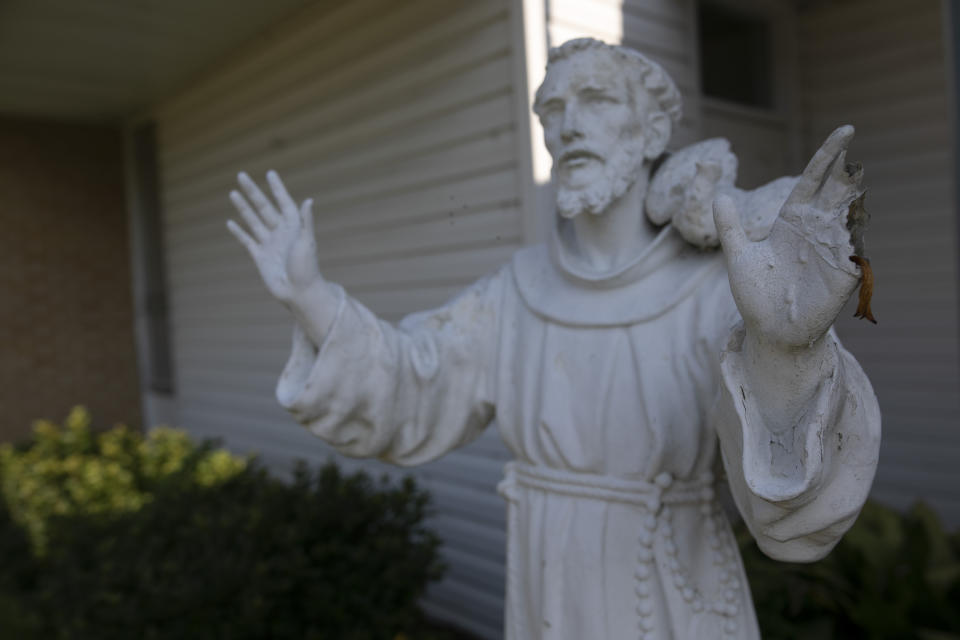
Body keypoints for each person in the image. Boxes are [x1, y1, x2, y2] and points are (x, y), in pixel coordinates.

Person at [227, 38, 880, 640]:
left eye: (595, 100)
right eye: (551, 109)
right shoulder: (517, 290)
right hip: (547, 590)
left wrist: (787, 351)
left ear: (652, 129)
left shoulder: (714, 292)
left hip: (669, 593)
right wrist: (310, 295)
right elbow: (411, 384)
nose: (568, 125)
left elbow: (793, 500)